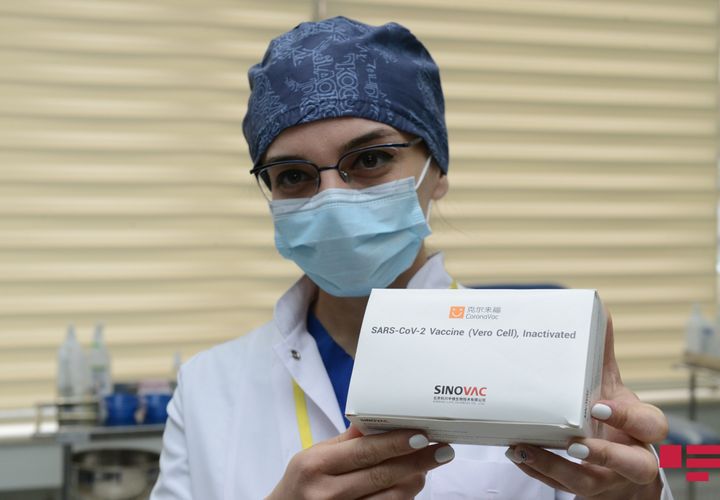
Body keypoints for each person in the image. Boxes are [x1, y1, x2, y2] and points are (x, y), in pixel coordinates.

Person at [151, 16, 673, 499]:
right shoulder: (207, 389)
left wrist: (633, 492)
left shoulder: (556, 370)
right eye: (293, 175)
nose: (331, 199)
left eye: (370, 159)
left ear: (436, 169)